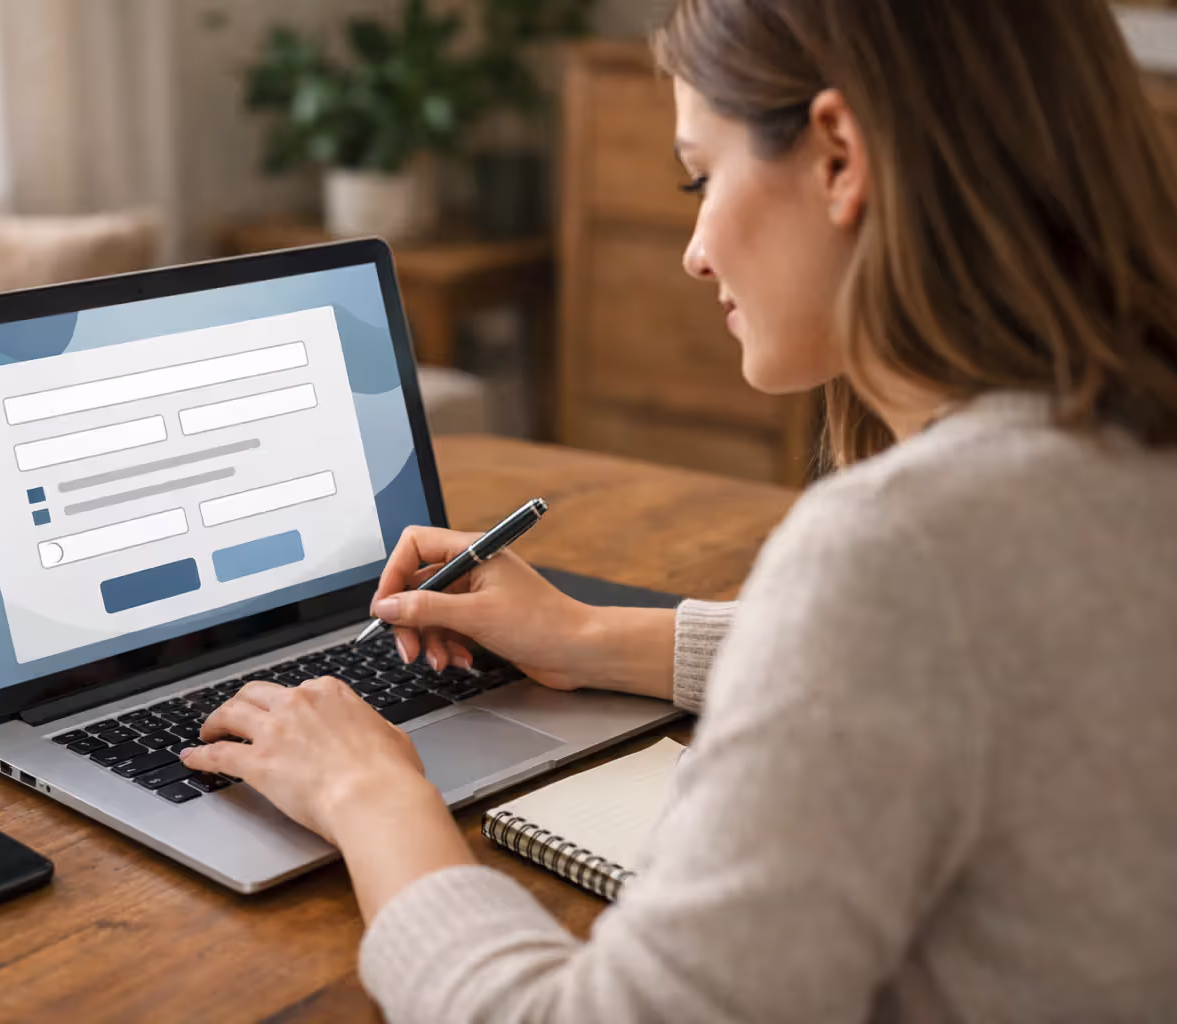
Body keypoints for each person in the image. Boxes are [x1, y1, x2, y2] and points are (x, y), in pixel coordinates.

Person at [182, 0, 1177, 1018]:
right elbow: (962, 657)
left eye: (702, 176)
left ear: (839, 157)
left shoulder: (899, 552)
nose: (697, 251)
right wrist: (591, 638)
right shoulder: (1114, 459)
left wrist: (368, 794)